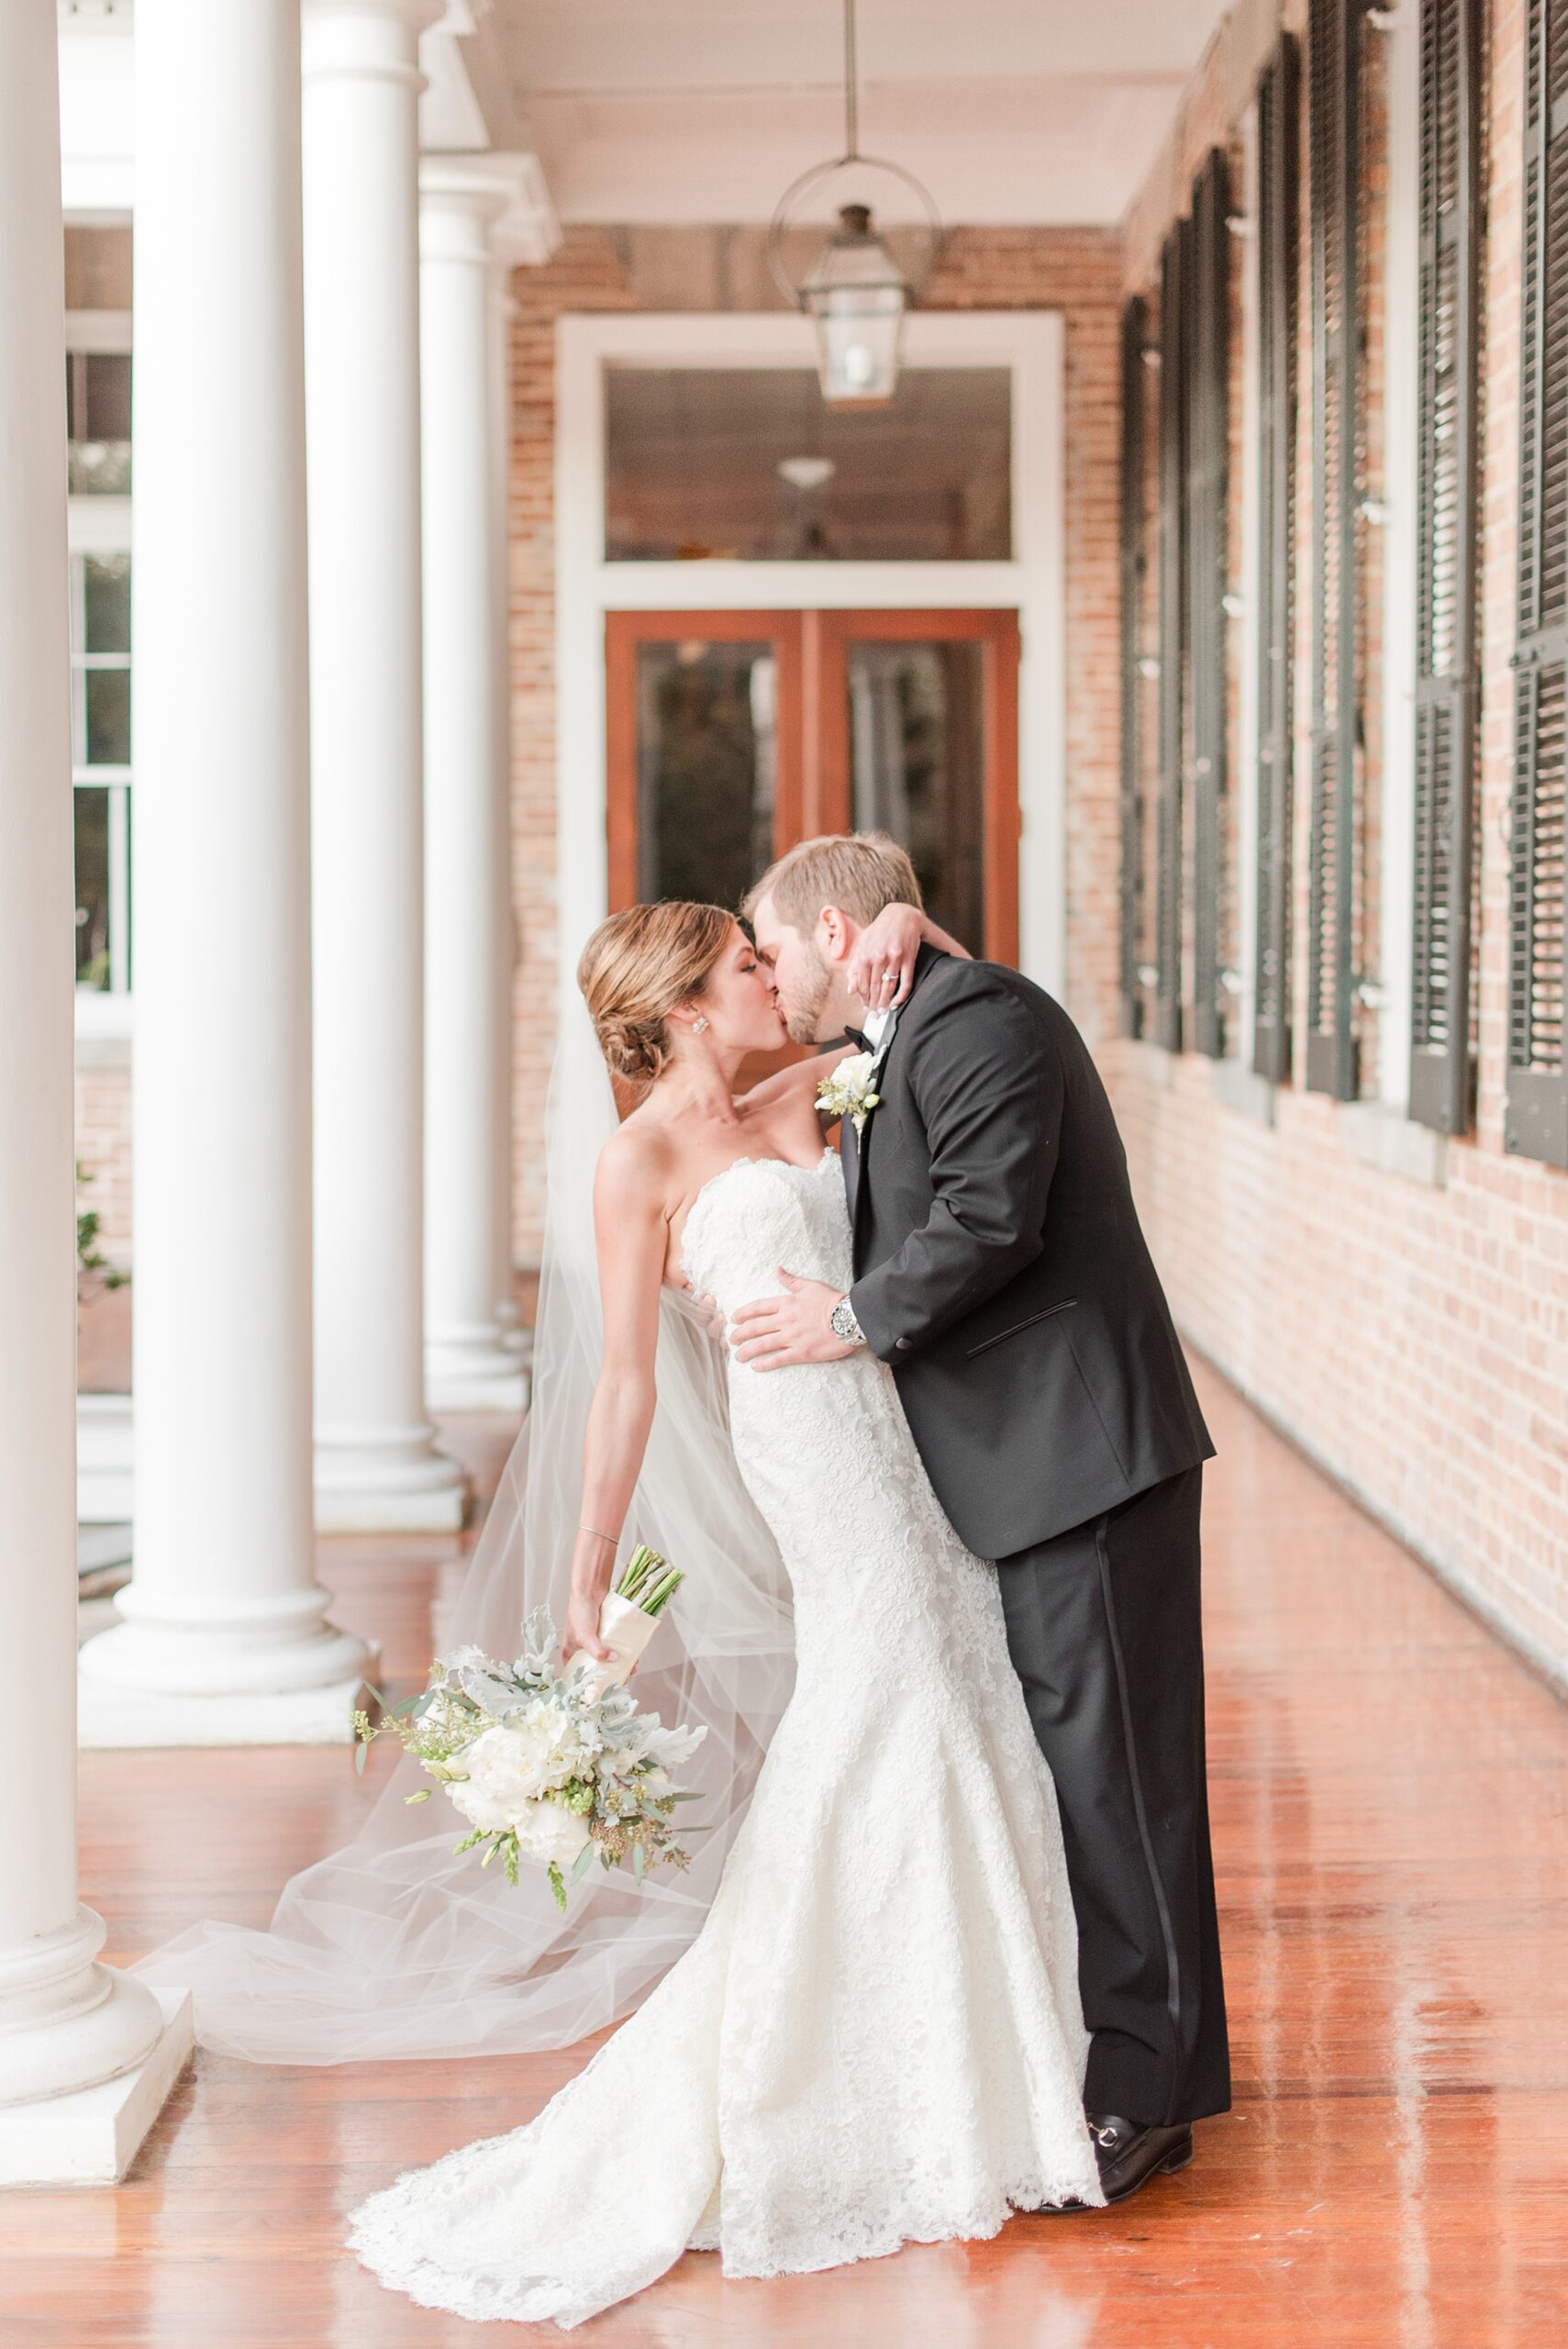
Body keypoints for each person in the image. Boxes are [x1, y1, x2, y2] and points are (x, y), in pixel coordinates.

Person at [346, 886, 1106, 2328]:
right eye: (752, 964)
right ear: (687, 1000)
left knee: (958, 1689)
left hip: (903, 1424)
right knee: (885, 1698)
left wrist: (903, 918)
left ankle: (984, 2059)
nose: (780, 976)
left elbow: (944, 1004)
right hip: (809, 1455)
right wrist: (586, 1556)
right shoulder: (635, 1162)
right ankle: (807, 2066)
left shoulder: (820, 1083)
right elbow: (626, 1377)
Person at [740, 832, 1229, 2210]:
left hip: (1080, 1455)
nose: (771, 982)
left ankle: (1148, 2098)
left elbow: (988, 1214)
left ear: (837, 939)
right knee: (1095, 1778)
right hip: (1029, 1460)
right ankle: (1141, 2059)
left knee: (1127, 1783)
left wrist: (845, 1320)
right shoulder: (914, 1020)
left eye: (773, 950)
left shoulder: (980, 1020)